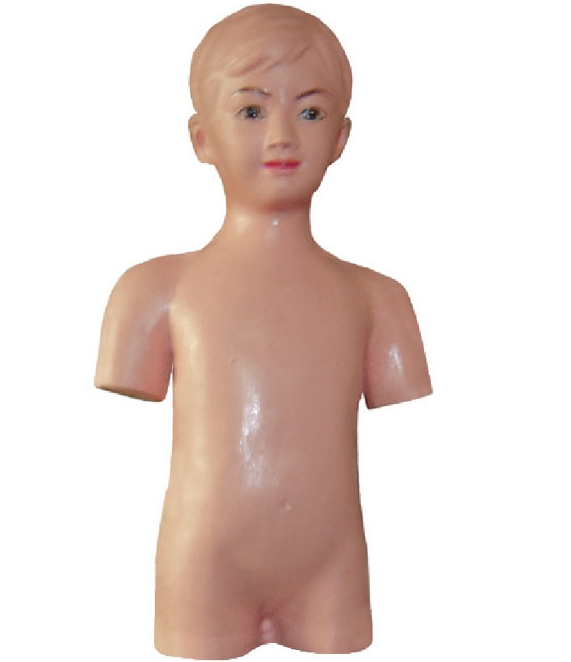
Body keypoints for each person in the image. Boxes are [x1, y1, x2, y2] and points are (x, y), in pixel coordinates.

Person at [95, 4, 432, 659]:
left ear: (341, 138)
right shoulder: (152, 293)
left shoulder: (379, 300)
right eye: (251, 110)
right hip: (206, 563)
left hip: (333, 562)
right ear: (202, 138)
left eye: (311, 112)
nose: (282, 137)